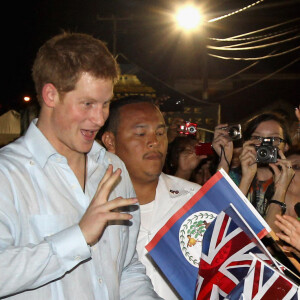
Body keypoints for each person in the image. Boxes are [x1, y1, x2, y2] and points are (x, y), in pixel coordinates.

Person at [0, 32, 161, 299]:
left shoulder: (113, 169)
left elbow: (126, 269)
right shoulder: (7, 175)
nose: (99, 118)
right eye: (87, 104)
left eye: (106, 103)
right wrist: (79, 236)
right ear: (51, 95)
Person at [100, 96, 201, 299]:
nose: (154, 142)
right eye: (140, 133)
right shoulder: (94, 209)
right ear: (110, 141)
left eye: (161, 133)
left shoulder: (196, 200)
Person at [212, 113, 294, 232]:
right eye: (257, 138)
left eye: (274, 139)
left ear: (286, 146)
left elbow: (273, 242)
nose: (265, 145)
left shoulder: (294, 183)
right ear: (246, 142)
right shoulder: (232, 177)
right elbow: (216, 222)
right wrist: (226, 160)